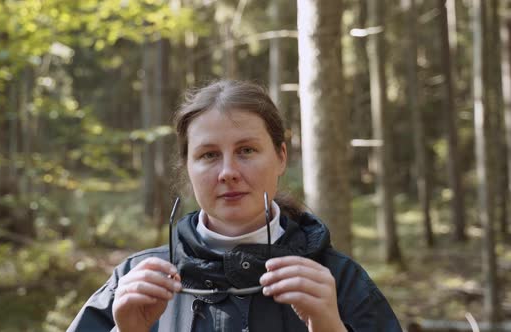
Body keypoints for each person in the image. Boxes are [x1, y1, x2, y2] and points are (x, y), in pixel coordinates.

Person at [67, 80, 402, 332]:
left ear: (281, 157)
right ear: (188, 166)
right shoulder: (136, 281)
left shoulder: (337, 280)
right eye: (209, 155)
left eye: (246, 151)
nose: (228, 173)